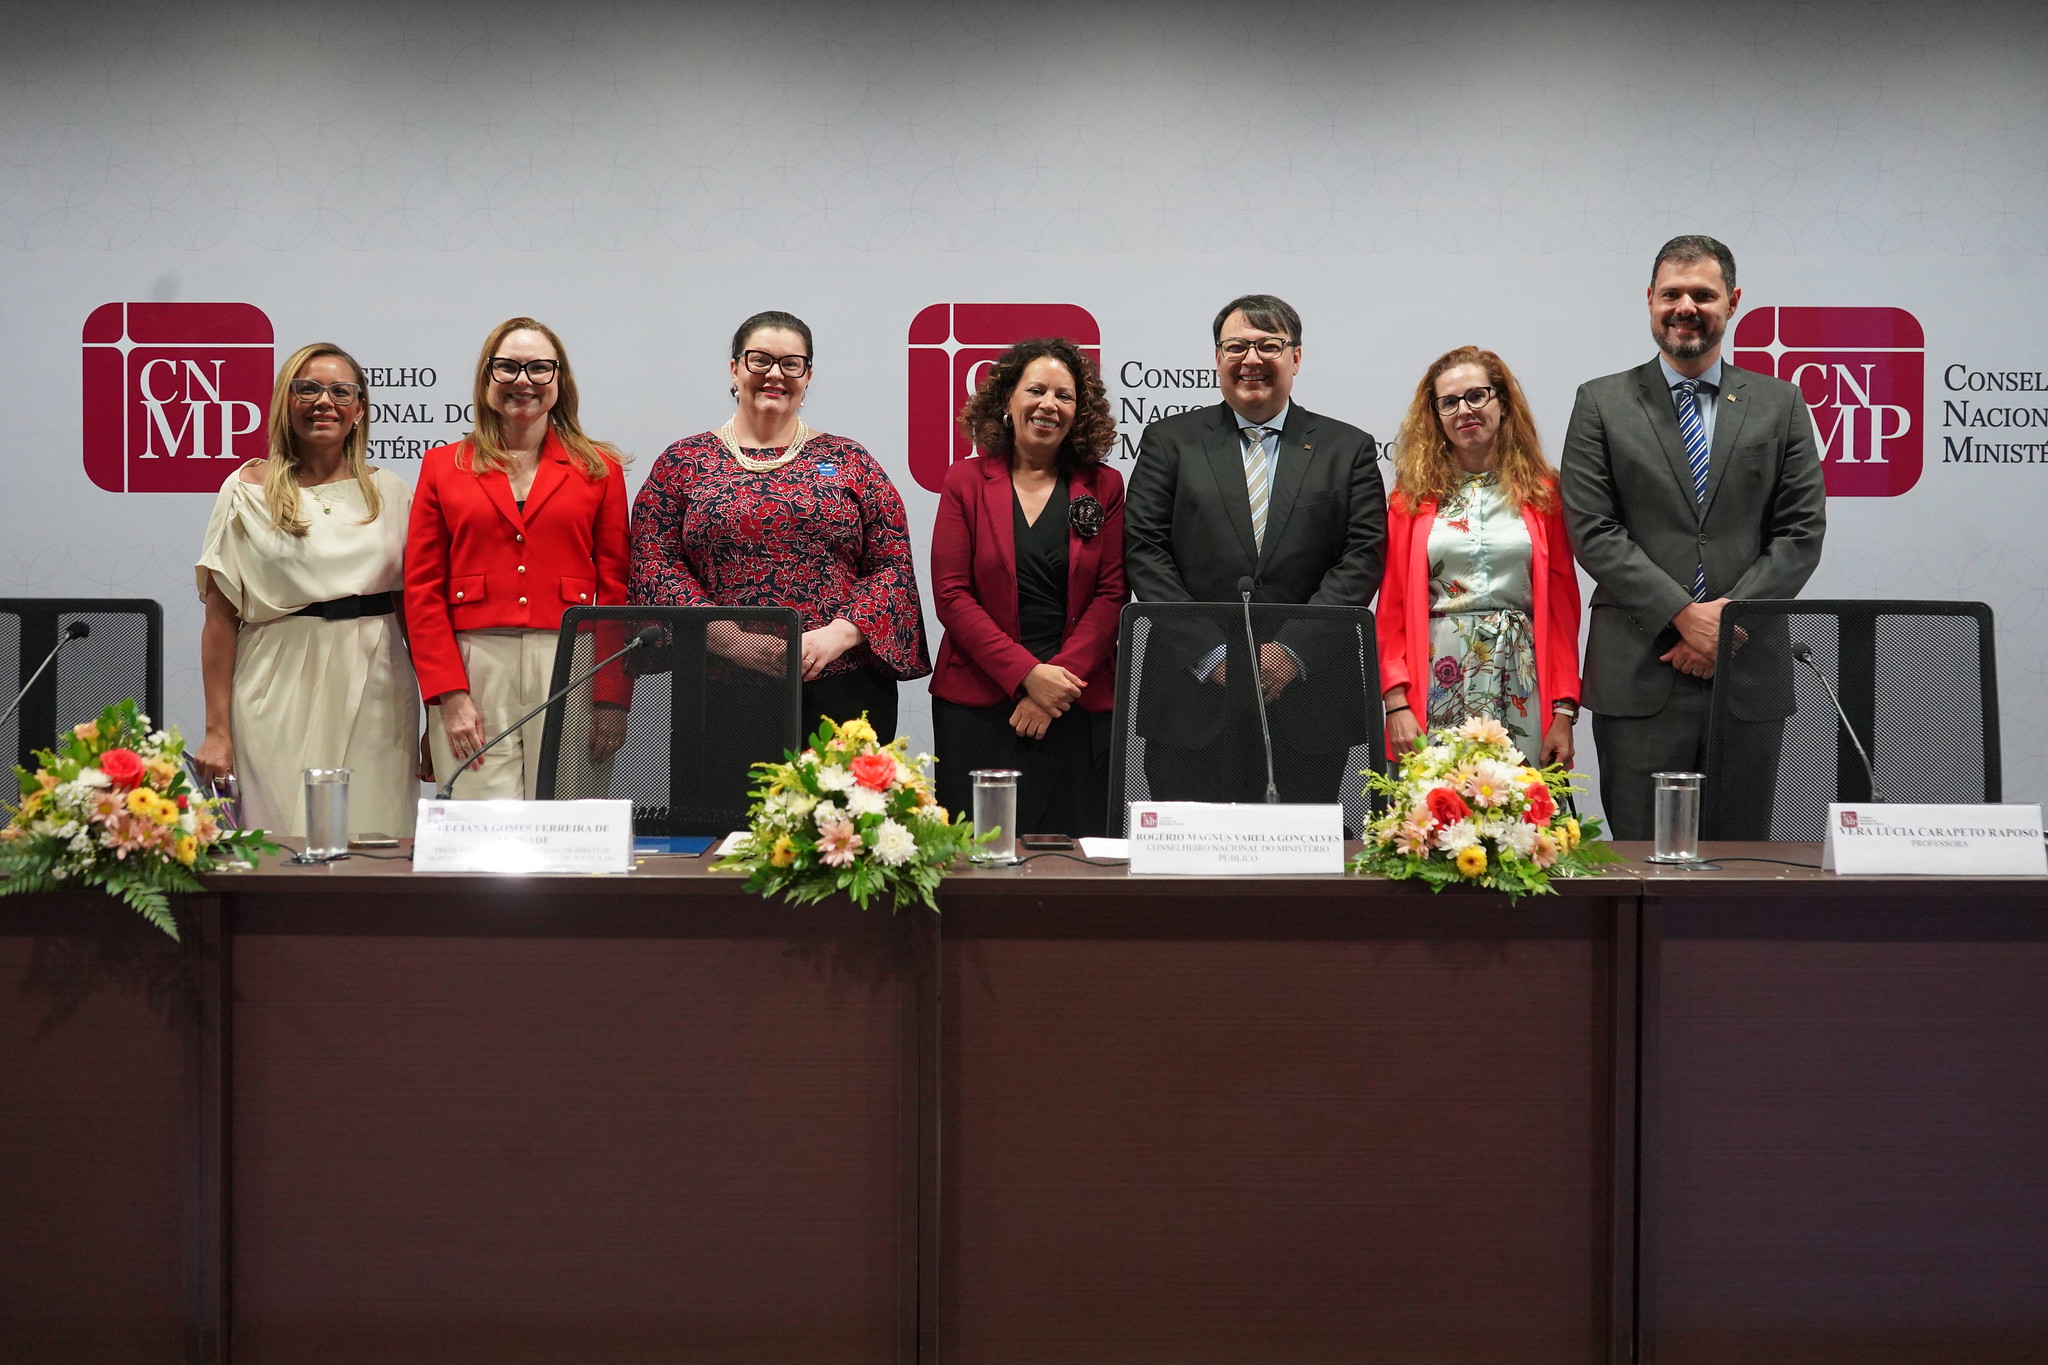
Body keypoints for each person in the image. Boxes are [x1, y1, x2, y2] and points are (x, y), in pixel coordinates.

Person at [1561, 235, 1827, 839]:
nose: (1686, 306)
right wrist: (1685, 617)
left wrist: (1726, 624)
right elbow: (1594, 530)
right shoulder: (1601, 402)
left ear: (1732, 303)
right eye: (1672, 293)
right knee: (1639, 867)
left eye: (1703, 294)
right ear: (1649, 300)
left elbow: (1800, 532)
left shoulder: (1779, 403)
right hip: (1639, 671)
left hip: (1746, 670)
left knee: (1740, 870)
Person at [1123, 293, 1386, 806]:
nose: (1252, 360)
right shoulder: (1169, 441)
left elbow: (1362, 555)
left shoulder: (1345, 448)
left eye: (1269, 345)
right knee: (1189, 873)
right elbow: (1145, 550)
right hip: (1192, 699)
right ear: (1217, 357)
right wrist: (1211, 653)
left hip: (1309, 704)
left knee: (1301, 879)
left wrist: (1291, 654)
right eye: (1236, 346)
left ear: (1296, 357)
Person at [630, 310, 929, 739]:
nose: (775, 374)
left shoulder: (851, 460)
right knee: (722, 809)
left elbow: (893, 567)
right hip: (717, 685)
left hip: (841, 683)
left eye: (791, 364)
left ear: (808, 377)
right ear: (734, 369)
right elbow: (653, 563)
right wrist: (730, 640)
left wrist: (840, 635)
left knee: (838, 808)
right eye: (760, 360)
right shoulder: (682, 462)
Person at [192, 343, 418, 838]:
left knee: (376, 838)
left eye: (341, 391)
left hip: (379, 684)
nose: (324, 402)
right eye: (308, 388)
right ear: (284, 401)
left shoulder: (394, 492)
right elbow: (219, 620)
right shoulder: (245, 489)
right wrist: (216, 730)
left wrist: (436, 724)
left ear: (359, 410)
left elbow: (413, 614)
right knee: (280, 841)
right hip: (277, 682)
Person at [405, 317, 631, 800]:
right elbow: (422, 591)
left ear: (559, 380)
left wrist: (611, 695)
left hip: (574, 663)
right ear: (487, 378)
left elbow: (615, 590)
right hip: (475, 666)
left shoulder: (600, 469)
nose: (522, 381)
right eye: (507, 368)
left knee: (571, 823)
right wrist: (448, 692)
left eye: (538, 369)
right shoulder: (443, 466)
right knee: (481, 834)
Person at [929, 338, 1126, 837]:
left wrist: (1051, 687)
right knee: (975, 862)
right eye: (1035, 390)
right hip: (979, 702)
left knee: (1076, 865)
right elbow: (951, 595)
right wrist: (1024, 676)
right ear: (1007, 401)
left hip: (1074, 702)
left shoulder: (1104, 486)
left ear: (1080, 412)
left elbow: (1112, 595)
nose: (1048, 405)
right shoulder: (965, 481)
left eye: (1064, 396)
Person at [1380, 347, 1582, 768]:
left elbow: (1563, 611)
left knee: (1523, 819)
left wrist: (1563, 710)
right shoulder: (1409, 499)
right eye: (1449, 402)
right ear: (1435, 416)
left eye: (1477, 395)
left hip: (1523, 681)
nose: (1464, 410)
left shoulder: (1544, 493)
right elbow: (1393, 606)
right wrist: (1396, 701)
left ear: (1502, 403)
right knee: (1437, 817)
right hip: (1438, 675)